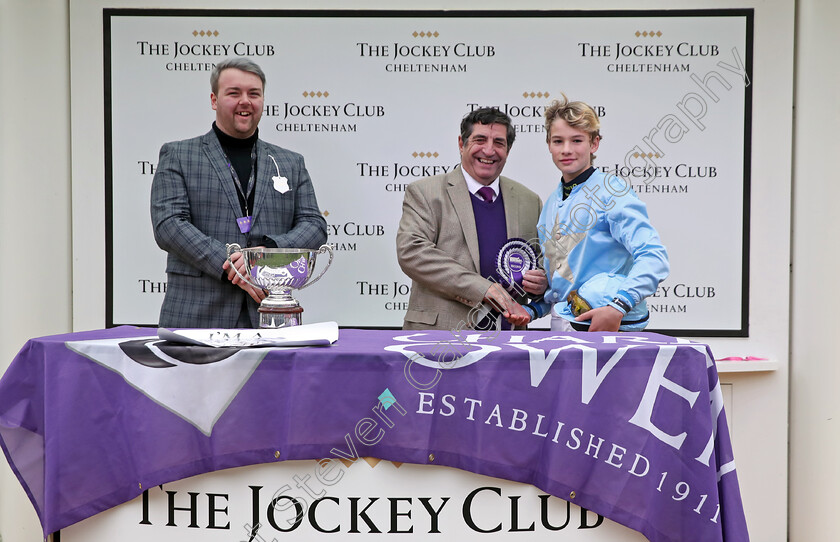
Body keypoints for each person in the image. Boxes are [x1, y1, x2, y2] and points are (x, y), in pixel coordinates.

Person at [150, 57, 327, 328]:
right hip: (195, 318)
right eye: (234, 93)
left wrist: (265, 256)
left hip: (270, 318)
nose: (245, 101)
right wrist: (232, 264)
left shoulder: (291, 162)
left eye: (254, 93)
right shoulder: (178, 155)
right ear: (214, 100)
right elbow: (169, 226)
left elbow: (314, 226)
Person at [524, 95, 669, 332]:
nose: (567, 149)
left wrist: (619, 306)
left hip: (607, 329)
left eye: (577, 140)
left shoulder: (613, 192)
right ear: (548, 144)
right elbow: (561, 289)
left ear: (594, 144)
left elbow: (654, 257)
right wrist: (533, 309)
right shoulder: (551, 203)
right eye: (558, 141)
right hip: (559, 329)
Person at [396, 107, 546, 331]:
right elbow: (412, 251)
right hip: (441, 337)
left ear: (508, 149)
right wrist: (483, 289)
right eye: (480, 139)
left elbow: (540, 259)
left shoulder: (529, 200)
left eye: (499, 142)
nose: (489, 150)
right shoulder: (425, 193)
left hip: (509, 339)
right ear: (461, 143)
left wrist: (542, 281)